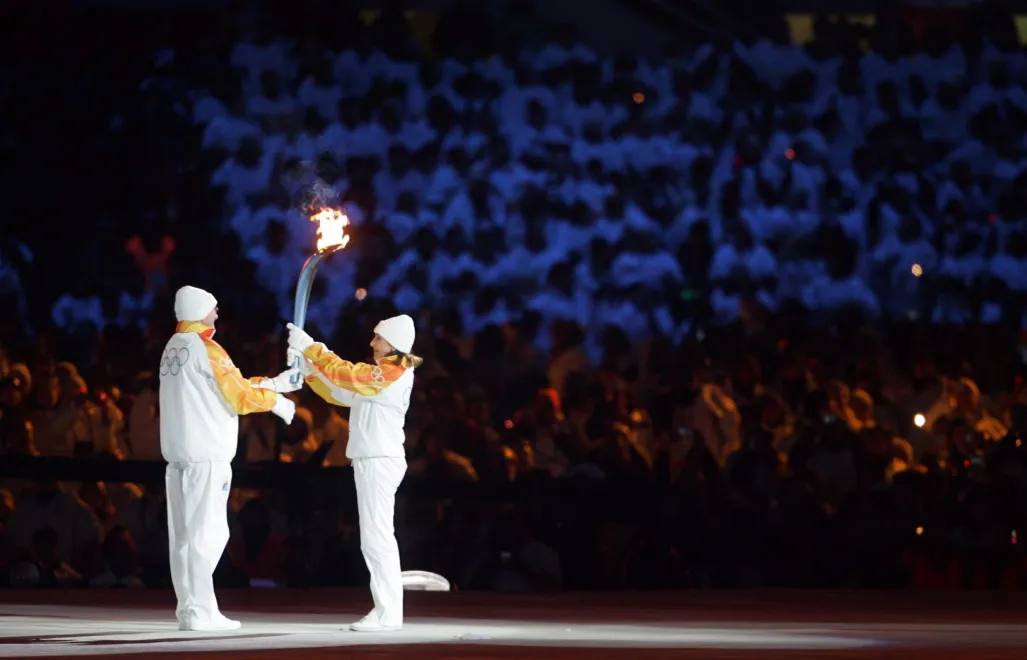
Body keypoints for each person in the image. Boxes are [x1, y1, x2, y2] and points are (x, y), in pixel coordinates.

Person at [160, 286, 299, 632]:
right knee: (209, 533)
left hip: (180, 458)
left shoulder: (174, 347)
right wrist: (277, 404)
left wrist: (274, 383)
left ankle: (190, 608)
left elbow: (225, 384)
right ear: (199, 309)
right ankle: (201, 612)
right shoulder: (206, 348)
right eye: (214, 308)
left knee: (184, 538)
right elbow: (237, 396)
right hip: (207, 457)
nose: (218, 314)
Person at [287, 314, 421, 632]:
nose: (372, 342)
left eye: (378, 337)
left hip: (380, 459)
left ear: (394, 343)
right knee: (374, 537)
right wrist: (308, 370)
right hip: (370, 458)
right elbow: (341, 393)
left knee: (377, 538)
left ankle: (388, 613)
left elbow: (348, 375)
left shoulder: (397, 368)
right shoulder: (382, 375)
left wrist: (312, 347)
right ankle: (387, 612)